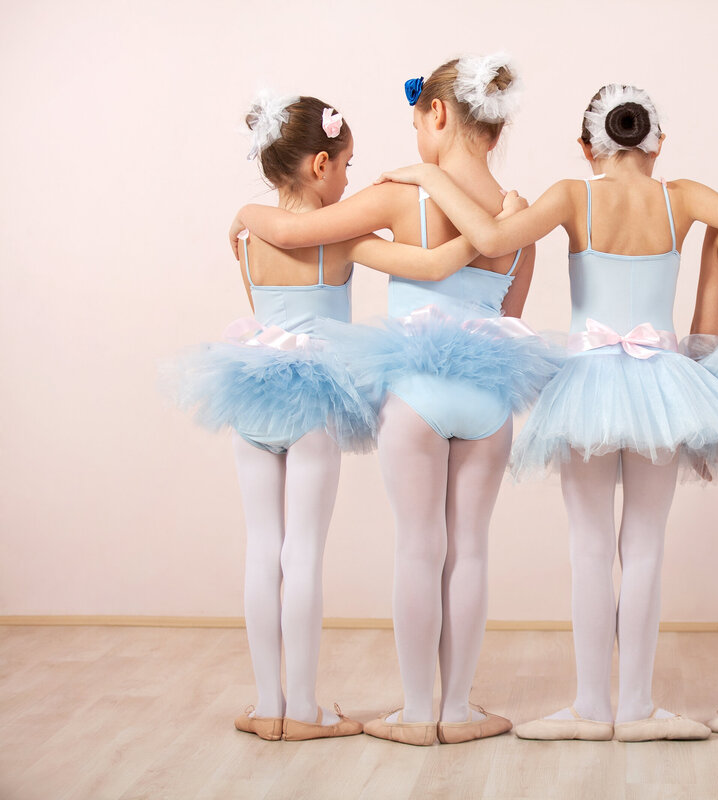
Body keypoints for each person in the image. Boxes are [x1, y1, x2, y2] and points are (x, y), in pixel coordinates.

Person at [373, 83, 718, 742]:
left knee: (588, 548)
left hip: (587, 380)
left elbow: (489, 233)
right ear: (657, 142)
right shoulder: (682, 196)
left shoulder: (573, 195)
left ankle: (588, 707)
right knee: (645, 548)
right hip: (661, 383)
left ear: (587, 145)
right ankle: (635, 707)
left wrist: (428, 174)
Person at [229, 55, 557, 746]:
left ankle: (412, 710)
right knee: (469, 549)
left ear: (437, 114)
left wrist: (244, 213)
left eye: (415, 119)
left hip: (412, 393)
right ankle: (458, 710)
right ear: (494, 130)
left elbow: (293, 231)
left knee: (418, 547)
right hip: (488, 392)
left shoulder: (393, 196)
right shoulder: (514, 217)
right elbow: (511, 319)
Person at [178, 92, 482, 741]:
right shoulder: (343, 240)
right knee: (304, 552)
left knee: (262, 550)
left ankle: (269, 705)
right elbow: (428, 265)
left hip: (251, 389)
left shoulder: (250, 235)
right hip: (315, 398)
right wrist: (488, 243)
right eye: (346, 165)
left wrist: (244, 212)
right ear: (320, 165)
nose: (350, 179)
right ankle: (307, 708)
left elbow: (265, 310)